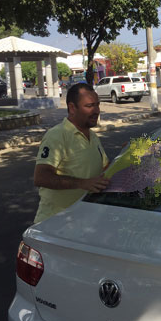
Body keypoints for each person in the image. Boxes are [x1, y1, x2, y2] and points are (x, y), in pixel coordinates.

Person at [33, 83, 110, 223]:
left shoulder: (92, 136)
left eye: (97, 105)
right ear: (72, 108)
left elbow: (106, 170)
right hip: (56, 224)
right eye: (89, 106)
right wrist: (82, 183)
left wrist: (126, 155)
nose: (96, 111)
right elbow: (41, 177)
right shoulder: (57, 135)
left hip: (85, 221)